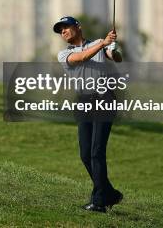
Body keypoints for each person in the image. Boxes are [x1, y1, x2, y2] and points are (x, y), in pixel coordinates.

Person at [53, 16, 124, 213]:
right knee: (86, 154)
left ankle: (99, 202)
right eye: (60, 30)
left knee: (96, 152)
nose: (63, 32)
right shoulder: (64, 55)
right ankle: (109, 193)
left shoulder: (98, 45)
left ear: (78, 27)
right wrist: (103, 42)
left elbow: (116, 57)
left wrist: (113, 47)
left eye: (66, 27)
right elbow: (82, 57)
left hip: (104, 97)